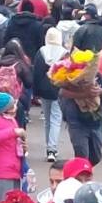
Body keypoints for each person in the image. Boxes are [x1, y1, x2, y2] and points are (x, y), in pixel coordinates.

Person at [59, 66, 102, 166]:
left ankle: (83, 172)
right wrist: (85, 94)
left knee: (96, 157)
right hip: (76, 121)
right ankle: (81, 176)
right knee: (82, 155)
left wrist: (100, 91)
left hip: (94, 121)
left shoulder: (96, 74)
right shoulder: (72, 75)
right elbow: (62, 92)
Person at [0, 92, 26, 203]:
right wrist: (13, 132)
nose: (15, 107)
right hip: (3, 170)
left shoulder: (11, 119)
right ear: (4, 109)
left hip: (15, 167)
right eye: (12, 106)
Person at [34, 27, 67, 162]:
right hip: (58, 89)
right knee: (56, 119)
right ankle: (52, 149)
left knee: (47, 120)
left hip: (44, 89)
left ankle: (49, 147)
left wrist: (35, 92)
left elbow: (36, 72)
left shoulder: (41, 52)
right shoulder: (64, 53)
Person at [0, 39, 34, 129]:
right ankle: (19, 140)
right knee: (19, 123)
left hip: (0, 98)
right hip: (16, 99)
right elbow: (29, 83)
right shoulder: (20, 64)